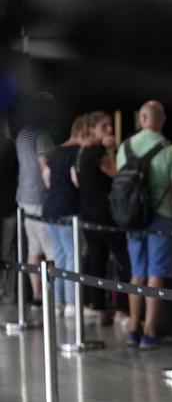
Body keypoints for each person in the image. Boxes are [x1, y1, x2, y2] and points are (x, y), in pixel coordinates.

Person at [117, 101, 172, 349]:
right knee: (156, 274)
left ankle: (133, 327)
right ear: (162, 120)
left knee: (137, 272)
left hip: (133, 218)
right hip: (161, 216)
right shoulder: (171, 151)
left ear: (142, 118)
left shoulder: (125, 147)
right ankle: (150, 330)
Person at [76, 111, 126, 323]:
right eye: (104, 127)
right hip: (105, 217)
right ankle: (123, 309)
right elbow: (118, 174)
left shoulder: (81, 153)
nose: (109, 130)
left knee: (96, 261)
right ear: (92, 130)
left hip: (88, 214)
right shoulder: (98, 152)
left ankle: (98, 306)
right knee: (123, 261)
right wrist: (112, 149)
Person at [15, 98, 56, 307]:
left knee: (33, 248)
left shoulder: (22, 133)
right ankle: (53, 296)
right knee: (51, 249)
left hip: (23, 197)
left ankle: (37, 295)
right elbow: (45, 167)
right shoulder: (42, 134)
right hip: (40, 197)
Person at [42, 116, 86, 310]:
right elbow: (76, 179)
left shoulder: (57, 151)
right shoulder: (77, 152)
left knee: (59, 255)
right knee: (72, 255)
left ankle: (57, 301)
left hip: (50, 208)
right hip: (68, 208)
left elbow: (47, 177)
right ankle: (72, 303)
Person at [0, 119, 18, 302]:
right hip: (9, 206)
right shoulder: (11, 147)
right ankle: (6, 292)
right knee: (7, 250)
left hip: (7, 206)